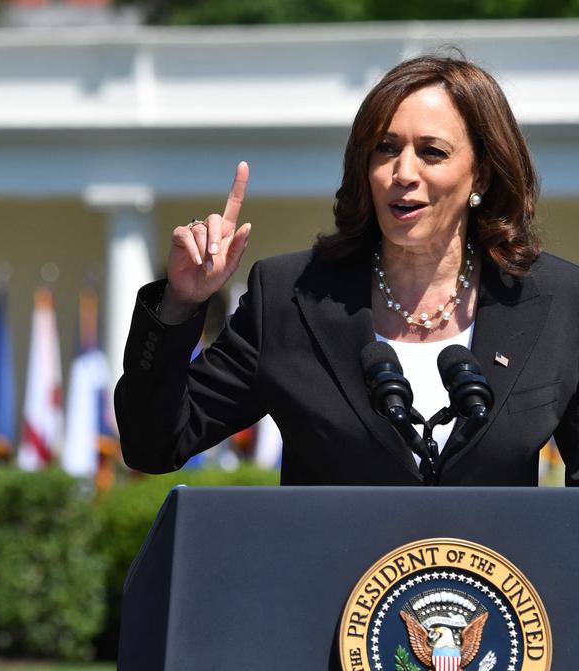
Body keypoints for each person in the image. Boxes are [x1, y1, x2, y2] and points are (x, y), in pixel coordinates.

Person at [115, 53, 579, 486]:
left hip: (492, 573)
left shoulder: (557, 301)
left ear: (482, 173)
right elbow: (154, 444)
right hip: (330, 573)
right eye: (385, 148)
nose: (403, 172)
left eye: (432, 152)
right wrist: (181, 304)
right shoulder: (289, 298)